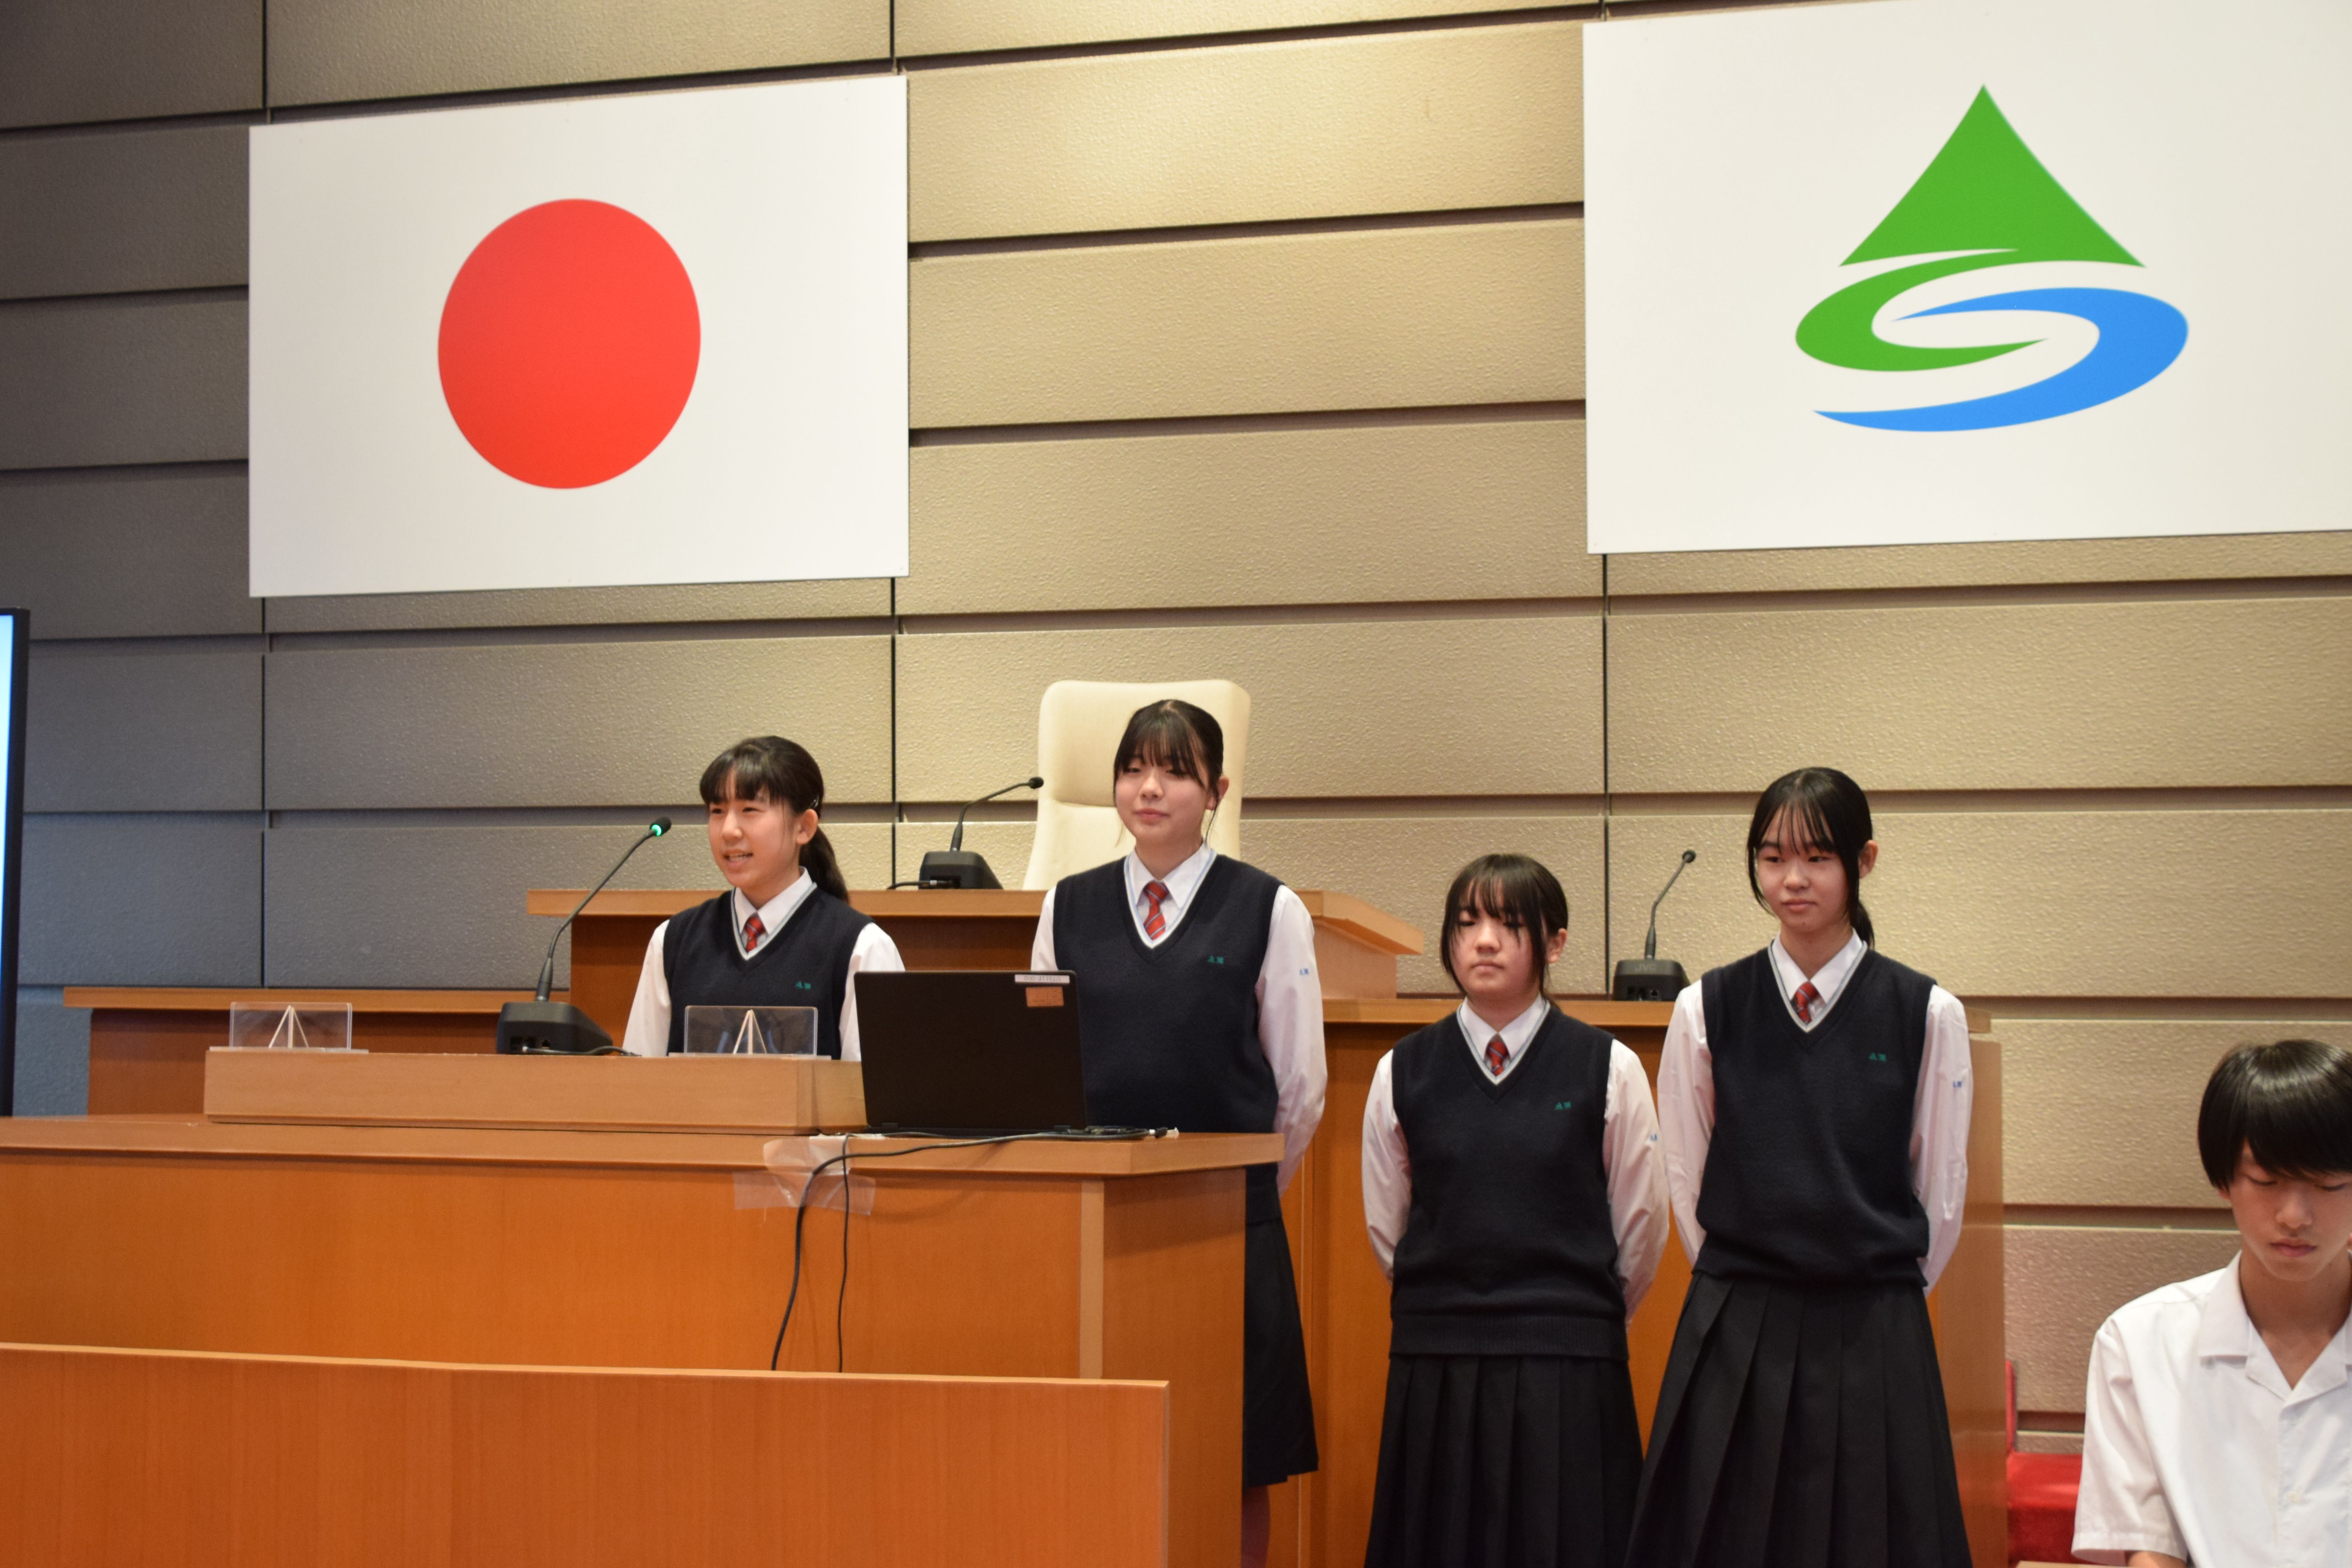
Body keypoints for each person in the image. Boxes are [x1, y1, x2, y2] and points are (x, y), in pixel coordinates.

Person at [1628, 766, 1974, 1566]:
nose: (1792, 878)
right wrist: (1744, 1280)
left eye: (1817, 857)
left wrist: (1880, 1288)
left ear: (1865, 860)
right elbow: (1687, 1174)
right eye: (1772, 855)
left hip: (1876, 1321)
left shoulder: (1927, 1011)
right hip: (1739, 1313)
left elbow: (1940, 1195)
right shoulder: (1704, 1007)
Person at [1028, 699, 1325, 1568]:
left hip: (1227, 1225)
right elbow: (1044, 1067)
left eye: (1175, 771)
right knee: (1092, 1438)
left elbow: (1299, 1090)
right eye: (1132, 768)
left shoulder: (1269, 908)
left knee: (1236, 1457)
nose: (1148, 787)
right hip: (1098, 1222)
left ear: (1216, 790)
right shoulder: (1067, 907)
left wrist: (1239, 1191)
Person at [1359, 854, 1669, 1568]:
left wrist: (1578, 1315)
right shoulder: (1402, 1069)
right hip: (1438, 1358)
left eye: (1507, 923)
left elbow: (1642, 1226)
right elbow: (1387, 1226)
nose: (1484, 942)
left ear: (1556, 943)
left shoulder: (1610, 1067)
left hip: (1571, 1360)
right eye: (1466, 924)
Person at [2073, 1037, 2352, 1568]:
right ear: (2224, 1179)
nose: (2294, 1215)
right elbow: (2148, 1549)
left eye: (2328, 1183)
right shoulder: (2140, 1341)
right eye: (2266, 1180)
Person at [621, 735, 901, 1059]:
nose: (728, 830)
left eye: (750, 810)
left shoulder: (862, 948)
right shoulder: (672, 941)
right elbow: (636, 1085)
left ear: (804, 827)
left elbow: (874, 1098)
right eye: (717, 811)